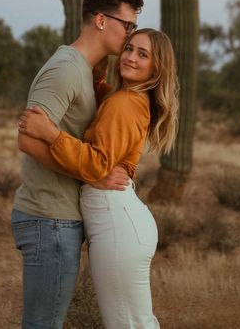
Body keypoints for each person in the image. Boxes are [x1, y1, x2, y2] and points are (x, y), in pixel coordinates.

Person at [20, 27, 179, 329]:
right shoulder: (126, 97)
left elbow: (99, 164)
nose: (130, 57)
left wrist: (52, 134)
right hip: (120, 219)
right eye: (129, 48)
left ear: (158, 67)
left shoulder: (125, 103)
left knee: (127, 324)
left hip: (116, 222)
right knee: (135, 322)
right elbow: (102, 100)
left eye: (142, 54)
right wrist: (95, 67)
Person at [12, 0, 144, 328]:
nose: (131, 34)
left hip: (58, 219)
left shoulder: (85, 71)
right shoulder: (65, 70)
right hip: (49, 218)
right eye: (127, 25)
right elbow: (28, 140)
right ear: (101, 20)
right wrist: (95, 174)